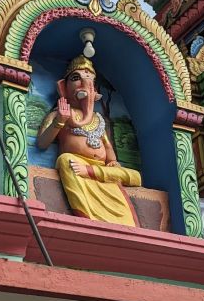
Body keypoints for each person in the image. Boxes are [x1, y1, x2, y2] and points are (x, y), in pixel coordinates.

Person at [37, 55, 141, 226]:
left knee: (135, 176)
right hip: (77, 166)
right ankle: (87, 216)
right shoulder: (61, 113)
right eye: (76, 78)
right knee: (65, 160)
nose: (82, 83)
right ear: (63, 86)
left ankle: (121, 220)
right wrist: (60, 121)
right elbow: (42, 143)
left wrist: (113, 162)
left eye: (89, 79)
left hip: (100, 172)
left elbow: (107, 147)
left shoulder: (97, 119)